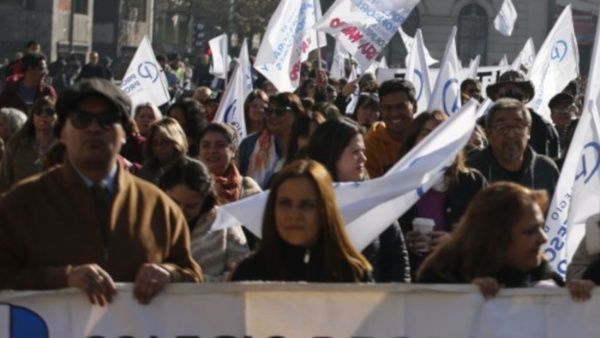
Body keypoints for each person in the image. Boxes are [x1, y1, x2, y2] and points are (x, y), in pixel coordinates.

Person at [0, 79, 202, 306]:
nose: (94, 128)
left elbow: (192, 276)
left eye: (107, 120)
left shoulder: (159, 207)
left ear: (124, 133)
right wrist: (63, 278)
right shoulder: (21, 204)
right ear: (63, 132)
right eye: (81, 119)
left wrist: (170, 273)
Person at [418, 182, 593, 301]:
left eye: (541, 227)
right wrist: (465, 298)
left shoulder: (541, 273)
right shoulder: (442, 275)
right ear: (496, 237)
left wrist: (580, 294)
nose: (543, 238)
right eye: (530, 231)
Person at [229, 159, 373, 282]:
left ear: (324, 211)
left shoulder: (353, 274)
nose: (294, 214)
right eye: (285, 203)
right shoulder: (249, 272)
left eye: (307, 205)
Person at [305, 118, 411, 282]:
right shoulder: (304, 201)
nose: (364, 159)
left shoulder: (374, 201)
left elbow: (397, 264)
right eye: (355, 152)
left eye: (363, 151)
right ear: (332, 153)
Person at [397, 111, 487, 278]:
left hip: (456, 281)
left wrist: (454, 242)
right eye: (426, 134)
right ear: (413, 141)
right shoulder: (397, 183)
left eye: (440, 134)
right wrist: (403, 240)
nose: (434, 140)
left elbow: (488, 234)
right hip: (410, 284)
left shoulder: (471, 182)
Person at [159, 159, 249, 282]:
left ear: (205, 200)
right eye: (173, 203)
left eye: (191, 206)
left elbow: (242, 274)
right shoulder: (149, 220)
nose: (181, 211)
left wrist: (190, 282)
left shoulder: (224, 221)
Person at [468, 98, 559, 198]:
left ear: (528, 132)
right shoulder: (471, 172)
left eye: (518, 127)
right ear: (488, 133)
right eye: (501, 127)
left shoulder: (546, 169)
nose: (511, 135)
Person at [238, 92, 307, 188]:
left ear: (296, 114)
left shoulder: (306, 144)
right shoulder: (249, 144)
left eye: (280, 111)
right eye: (269, 111)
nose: (273, 116)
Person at [486, 70, 560, 159]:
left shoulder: (543, 126)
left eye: (517, 94)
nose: (511, 100)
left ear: (526, 97)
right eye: (504, 94)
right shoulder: (483, 125)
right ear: (496, 97)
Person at [0, 96, 58, 192]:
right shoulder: (16, 144)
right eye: (38, 111)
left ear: (57, 116)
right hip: (19, 202)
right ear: (32, 116)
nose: (43, 115)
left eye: (49, 112)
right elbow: (4, 179)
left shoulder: (64, 147)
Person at [198, 122, 261, 205]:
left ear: (232, 150)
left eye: (219, 145)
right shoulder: (189, 185)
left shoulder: (248, 188)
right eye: (206, 145)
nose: (212, 150)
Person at [365, 79, 417, 178]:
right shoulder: (372, 143)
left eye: (401, 106)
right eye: (388, 108)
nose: (394, 113)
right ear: (380, 109)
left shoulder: (427, 136)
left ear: (414, 107)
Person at [137, 117, 189, 185]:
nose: (159, 148)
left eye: (164, 142)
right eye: (155, 143)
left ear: (177, 142)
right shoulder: (145, 173)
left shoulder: (189, 172)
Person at [548, 93, 578, 167]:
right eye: (558, 109)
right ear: (552, 117)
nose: (564, 112)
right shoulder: (548, 135)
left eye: (567, 108)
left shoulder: (580, 128)